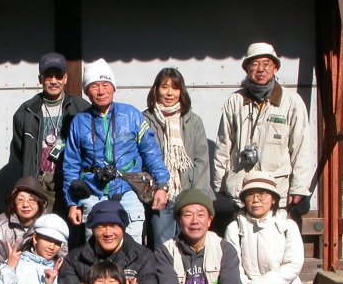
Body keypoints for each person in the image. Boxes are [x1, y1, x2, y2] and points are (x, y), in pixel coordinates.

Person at [62, 58, 170, 245]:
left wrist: (162, 186)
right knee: (95, 247)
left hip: (129, 189)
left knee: (133, 247)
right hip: (93, 191)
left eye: (105, 84)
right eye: (94, 86)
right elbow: (71, 165)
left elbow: (151, 152)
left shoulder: (131, 115)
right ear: (86, 91)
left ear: (113, 87)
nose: (101, 91)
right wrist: (72, 203)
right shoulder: (79, 122)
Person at [213, 42, 315, 213]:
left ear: (275, 68)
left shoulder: (292, 101)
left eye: (266, 64)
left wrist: (299, 187)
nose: (260, 69)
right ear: (247, 69)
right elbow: (224, 143)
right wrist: (220, 183)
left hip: (277, 192)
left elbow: (301, 147)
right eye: (254, 64)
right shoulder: (235, 101)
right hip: (242, 190)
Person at [224, 171, 305, 284]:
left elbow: (293, 265)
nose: (256, 200)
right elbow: (233, 268)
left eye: (263, 194)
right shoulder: (234, 228)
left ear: (273, 199)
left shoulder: (288, 226)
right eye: (250, 195)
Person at [10, 52, 90, 215]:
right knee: (41, 227)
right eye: (48, 76)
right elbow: (21, 149)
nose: (53, 81)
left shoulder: (81, 108)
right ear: (40, 79)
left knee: (72, 227)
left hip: (72, 181)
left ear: (65, 78)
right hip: (39, 182)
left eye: (58, 76)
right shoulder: (26, 111)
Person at [143, 67, 211, 248]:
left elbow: (201, 160)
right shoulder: (144, 120)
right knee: (163, 248)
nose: (169, 93)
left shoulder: (193, 121)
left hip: (187, 194)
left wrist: (196, 197)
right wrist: (156, 189)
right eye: (164, 87)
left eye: (175, 87)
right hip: (160, 196)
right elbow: (141, 160)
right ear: (156, 89)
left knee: (190, 246)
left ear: (181, 91)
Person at [0, 176, 66, 283]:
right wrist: (11, 273)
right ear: (13, 202)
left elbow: (63, 261)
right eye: (20, 200)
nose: (25, 205)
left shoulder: (53, 225)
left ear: (40, 203)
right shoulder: (0, 229)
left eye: (31, 200)